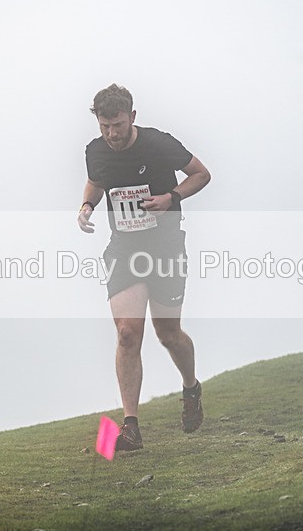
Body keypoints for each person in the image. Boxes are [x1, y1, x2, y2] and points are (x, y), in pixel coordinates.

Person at [78, 84, 211, 451]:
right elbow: (96, 181)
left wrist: (172, 197)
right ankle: (131, 427)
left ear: (132, 117)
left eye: (118, 124)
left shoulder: (159, 144)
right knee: (127, 334)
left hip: (166, 247)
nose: (112, 134)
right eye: (104, 126)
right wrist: (87, 206)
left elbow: (202, 174)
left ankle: (191, 387)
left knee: (168, 334)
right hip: (124, 249)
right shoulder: (96, 151)